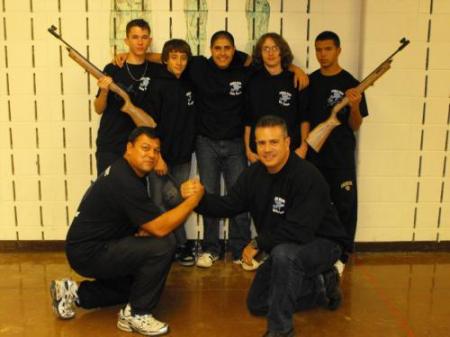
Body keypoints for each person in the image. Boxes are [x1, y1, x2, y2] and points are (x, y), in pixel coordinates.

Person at [183, 115, 350, 337]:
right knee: (258, 303)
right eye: (261, 143)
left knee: (284, 254)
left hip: (323, 243)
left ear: (287, 142)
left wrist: (258, 242)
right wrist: (199, 198)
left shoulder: (307, 175)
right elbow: (228, 205)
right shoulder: (254, 175)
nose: (267, 149)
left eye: (274, 142)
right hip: (287, 245)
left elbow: (299, 230)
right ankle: (321, 284)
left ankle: (280, 331)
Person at [50, 127, 204, 336]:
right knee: (164, 244)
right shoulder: (125, 179)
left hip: (92, 247)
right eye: (145, 148)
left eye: (156, 151)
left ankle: (73, 293)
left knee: (138, 285)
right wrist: (192, 201)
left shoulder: (130, 173)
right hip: (89, 252)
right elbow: (159, 227)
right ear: (128, 148)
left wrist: (143, 230)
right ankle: (137, 314)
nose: (151, 154)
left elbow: (142, 221)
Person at [304, 31, 369, 270]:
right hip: (314, 156)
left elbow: (355, 125)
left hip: (341, 157)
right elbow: (305, 122)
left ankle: (342, 254)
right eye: (319, 49)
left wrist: (353, 106)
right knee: (315, 204)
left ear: (339, 50)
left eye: (328, 49)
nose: (323, 54)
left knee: (345, 205)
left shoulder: (352, 84)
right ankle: (317, 249)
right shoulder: (310, 82)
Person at [146, 39, 197, 266]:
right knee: (158, 202)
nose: (179, 62)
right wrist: (157, 157)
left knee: (177, 201)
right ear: (165, 60)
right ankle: (177, 246)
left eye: (183, 57)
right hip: (160, 158)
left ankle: (178, 246)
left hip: (183, 157)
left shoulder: (189, 83)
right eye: (174, 57)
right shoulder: (157, 85)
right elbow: (149, 126)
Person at [94, 19, 161, 175]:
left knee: (134, 195)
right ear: (127, 40)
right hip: (109, 144)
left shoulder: (156, 71)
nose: (140, 42)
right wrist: (104, 90)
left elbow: (172, 56)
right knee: (108, 193)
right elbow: (98, 109)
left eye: (144, 37)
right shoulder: (113, 68)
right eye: (135, 37)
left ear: (149, 41)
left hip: (139, 148)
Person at [245, 32, 309, 164]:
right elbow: (248, 120)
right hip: (260, 154)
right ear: (260, 54)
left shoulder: (296, 80)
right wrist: (248, 149)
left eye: (275, 48)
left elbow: (305, 118)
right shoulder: (252, 81)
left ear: (282, 51)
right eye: (266, 49)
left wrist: (304, 147)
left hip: (291, 152)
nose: (270, 53)